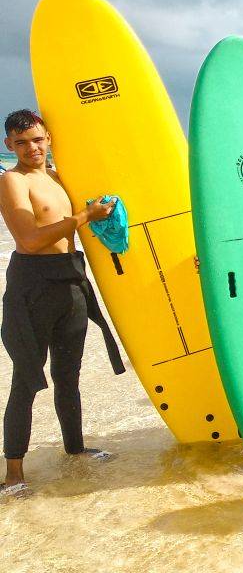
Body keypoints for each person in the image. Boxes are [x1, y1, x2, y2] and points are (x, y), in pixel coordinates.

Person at [0, 110, 123, 496]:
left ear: (49, 138)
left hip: (71, 280)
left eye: (37, 139)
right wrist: (85, 215)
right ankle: (14, 472)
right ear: (9, 146)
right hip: (32, 286)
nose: (31, 148)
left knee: (69, 375)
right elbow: (30, 240)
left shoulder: (58, 178)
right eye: (21, 143)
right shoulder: (12, 181)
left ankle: (75, 448)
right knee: (27, 380)